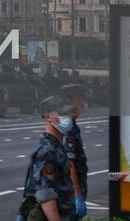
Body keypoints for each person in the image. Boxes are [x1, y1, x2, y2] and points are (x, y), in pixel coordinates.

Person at [19, 95, 78, 221]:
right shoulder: (47, 150)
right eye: (62, 114)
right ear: (47, 117)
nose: (68, 118)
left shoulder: (56, 146)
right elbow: (46, 194)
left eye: (68, 113)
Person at [62, 85, 89, 218]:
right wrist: (77, 194)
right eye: (81, 99)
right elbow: (69, 162)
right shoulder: (69, 127)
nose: (83, 103)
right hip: (70, 192)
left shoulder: (70, 124)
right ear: (74, 100)